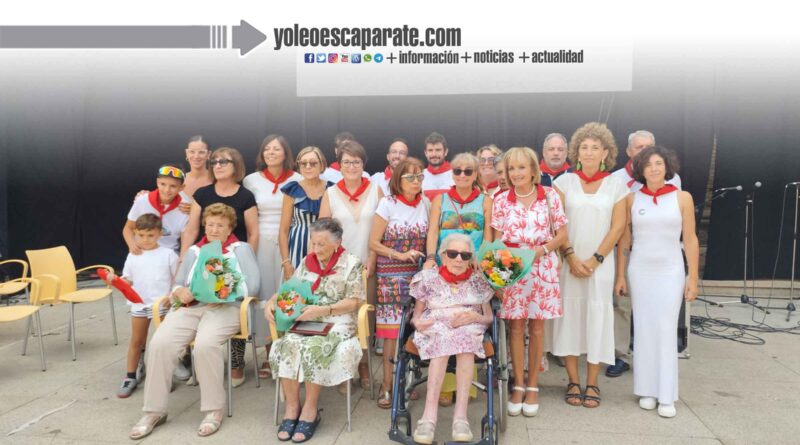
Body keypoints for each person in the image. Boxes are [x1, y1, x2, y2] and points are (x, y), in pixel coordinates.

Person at [130, 203, 260, 440]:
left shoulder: (241, 249)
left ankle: (213, 410)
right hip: (191, 308)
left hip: (225, 308)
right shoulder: (194, 251)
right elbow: (178, 283)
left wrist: (223, 292)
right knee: (160, 343)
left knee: (205, 345)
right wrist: (179, 291)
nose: (214, 229)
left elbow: (253, 285)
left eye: (220, 225)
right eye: (210, 224)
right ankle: (153, 411)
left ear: (230, 227)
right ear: (204, 226)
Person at [614, 146, 698, 418]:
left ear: (667, 167)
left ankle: (666, 394)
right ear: (641, 169)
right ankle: (647, 390)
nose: (654, 168)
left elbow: (690, 239)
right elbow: (624, 241)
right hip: (640, 271)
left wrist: (693, 277)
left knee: (665, 327)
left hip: (670, 270)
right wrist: (620, 275)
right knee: (644, 327)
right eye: (648, 164)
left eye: (659, 163)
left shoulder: (682, 198)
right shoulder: (631, 199)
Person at [550, 122, 628, 409]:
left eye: (596, 147)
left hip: (600, 265)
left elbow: (618, 228)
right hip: (568, 262)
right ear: (577, 152)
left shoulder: (617, 186)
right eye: (584, 147)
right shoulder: (563, 184)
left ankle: (592, 382)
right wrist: (571, 257)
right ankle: (572, 380)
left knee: (598, 319)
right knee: (570, 319)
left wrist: (595, 260)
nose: (590, 152)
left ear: (606, 152)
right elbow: (556, 224)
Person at [266, 218, 365, 443]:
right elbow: (289, 289)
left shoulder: (351, 263)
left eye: (322, 244)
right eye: (313, 243)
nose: (316, 249)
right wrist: (271, 302)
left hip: (338, 321)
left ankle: (310, 411)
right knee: (286, 344)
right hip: (307, 320)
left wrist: (323, 309)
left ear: (337, 243)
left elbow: (354, 301)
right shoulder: (307, 261)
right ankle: (292, 408)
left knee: (314, 347)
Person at [491, 147, 567, 417]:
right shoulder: (501, 199)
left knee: (536, 328)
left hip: (542, 265)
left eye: (521, 167)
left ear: (534, 170)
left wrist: (540, 251)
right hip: (512, 266)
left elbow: (561, 235)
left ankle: (533, 385)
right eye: (511, 168)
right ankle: (518, 384)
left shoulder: (550, 196)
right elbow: (497, 240)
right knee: (515, 328)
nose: (516, 173)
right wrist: (497, 278)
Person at [607, 130, 682, 378]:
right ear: (628, 151)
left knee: (656, 308)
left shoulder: (673, 179)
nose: (644, 151)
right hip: (629, 250)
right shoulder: (616, 179)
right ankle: (620, 354)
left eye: (649, 146)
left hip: (661, 254)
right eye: (639, 147)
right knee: (623, 304)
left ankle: (653, 357)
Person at [181, 147, 259, 386]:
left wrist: (247, 263)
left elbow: (253, 233)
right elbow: (192, 229)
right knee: (198, 309)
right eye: (214, 161)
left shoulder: (245, 196)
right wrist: (184, 259)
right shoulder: (202, 194)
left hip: (233, 260)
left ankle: (236, 364)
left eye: (224, 161)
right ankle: (197, 365)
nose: (218, 165)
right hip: (204, 260)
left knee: (234, 308)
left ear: (236, 165)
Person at [409, 234, 494, 444]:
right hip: (436, 326)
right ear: (443, 255)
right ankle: (428, 418)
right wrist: (418, 324)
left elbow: (489, 318)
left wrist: (475, 317)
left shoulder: (479, 281)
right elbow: (416, 317)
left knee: (465, 342)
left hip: (468, 326)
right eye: (453, 253)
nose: (458, 259)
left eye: (465, 255)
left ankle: (461, 419)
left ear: (470, 258)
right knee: (442, 340)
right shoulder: (428, 278)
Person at [422, 152, 492, 407]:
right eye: (457, 170)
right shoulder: (441, 200)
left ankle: (464, 387)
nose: (462, 175)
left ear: (476, 174)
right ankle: (444, 386)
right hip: (445, 266)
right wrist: (432, 257)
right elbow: (433, 231)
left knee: (466, 322)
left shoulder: (485, 201)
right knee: (445, 321)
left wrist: (481, 258)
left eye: (468, 171)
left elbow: (488, 235)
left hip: (472, 268)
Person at [319, 140, 382, 390]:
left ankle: (364, 365)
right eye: (346, 162)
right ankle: (345, 370)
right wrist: (331, 264)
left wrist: (373, 258)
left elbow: (382, 230)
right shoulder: (331, 193)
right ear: (339, 165)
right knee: (342, 317)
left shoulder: (376, 190)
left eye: (356, 161)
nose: (352, 166)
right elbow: (323, 234)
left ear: (363, 164)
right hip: (339, 267)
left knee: (365, 317)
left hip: (368, 263)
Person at [368, 157, 430, 409]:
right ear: (398, 180)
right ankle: (387, 384)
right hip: (391, 274)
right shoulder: (388, 203)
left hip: (418, 274)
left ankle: (407, 380)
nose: (416, 181)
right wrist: (399, 255)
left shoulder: (426, 203)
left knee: (413, 329)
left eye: (420, 176)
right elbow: (373, 242)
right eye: (410, 177)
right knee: (391, 332)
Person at [243, 134, 302, 380]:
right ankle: (269, 354)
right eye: (267, 149)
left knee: (289, 296)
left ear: (285, 153)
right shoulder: (251, 180)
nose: (271, 153)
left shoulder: (298, 179)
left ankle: (290, 352)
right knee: (266, 297)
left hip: (290, 244)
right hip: (262, 245)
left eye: (276, 149)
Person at [107, 214, 178, 398]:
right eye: (141, 235)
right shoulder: (133, 255)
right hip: (139, 304)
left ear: (160, 234)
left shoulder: (168, 254)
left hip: (161, 305)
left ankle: (166, 375)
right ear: (136, 234)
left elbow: (177, 280)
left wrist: (171, 297)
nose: (145, 240)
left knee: (163, 342)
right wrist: (115, 280)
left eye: (150, 235)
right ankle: (130, 376)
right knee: (137, 341)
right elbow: (127, 280)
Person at [279, 146, 334, 280]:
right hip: (297, 246)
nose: (308, 167)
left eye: (313, 163)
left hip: (324, 247)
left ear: (322, 165)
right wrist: (286, 262)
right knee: (296, 289)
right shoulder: (292, 190)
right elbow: (283, 230)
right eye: (303, 163)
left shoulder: (332, 189)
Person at [125, 165, 189, 253]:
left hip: (169, 253)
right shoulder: (142, 200)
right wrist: (132, 245)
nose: (167, 190)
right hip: (142, 251)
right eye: (163, 184)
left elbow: (186, 238)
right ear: (157, 182)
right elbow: (128, 228)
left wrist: (181, 259)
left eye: (173, 186)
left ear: (181, 187)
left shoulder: (186, 207)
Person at [421, 132, 455, 201]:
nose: (434, 154)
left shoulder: (457, 174)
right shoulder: (419, 175)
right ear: (425, 153)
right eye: (430, 150)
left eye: (438, 150)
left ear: (446, 152)